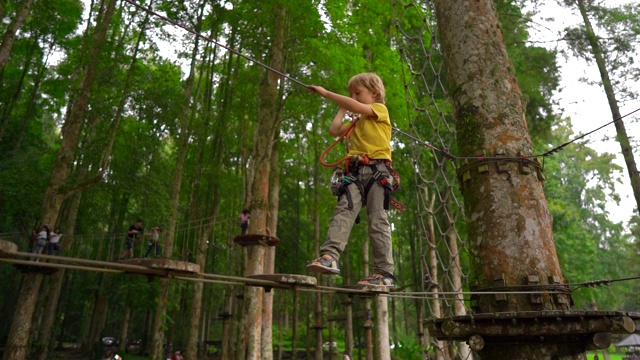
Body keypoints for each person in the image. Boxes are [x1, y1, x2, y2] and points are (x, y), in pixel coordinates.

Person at [306, 72, 397, 288]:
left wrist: (327, 93)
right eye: (351, 94)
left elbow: (358, 108)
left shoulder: (379, 111)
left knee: (378, 220)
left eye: (358, 93)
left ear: (374, 93)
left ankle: (384, 272)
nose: (354, 97)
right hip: (355, 174)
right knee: (344, 212)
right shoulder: (357, 122)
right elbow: (334, 130)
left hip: (377, 171)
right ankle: (329, 256)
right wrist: (343, 107)